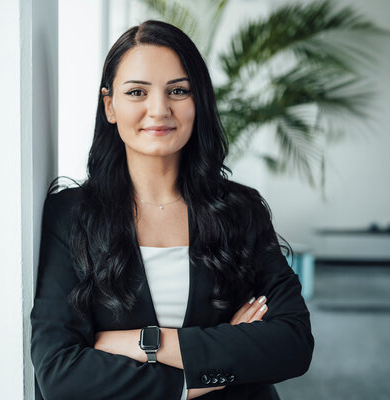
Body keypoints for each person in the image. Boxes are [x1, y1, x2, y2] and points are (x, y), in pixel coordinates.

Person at [30, 20, 313, 400]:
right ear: (110, 106)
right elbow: (61, 375)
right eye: (137, 92)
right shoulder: (71, 217)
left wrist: (151, 343)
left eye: (178, 90)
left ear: (198, 103)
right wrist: (211, 369)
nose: (159, 109)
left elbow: (292, 344)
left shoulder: (239, 210)